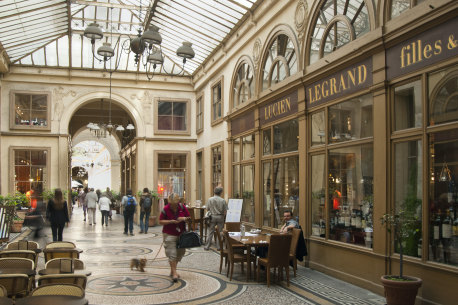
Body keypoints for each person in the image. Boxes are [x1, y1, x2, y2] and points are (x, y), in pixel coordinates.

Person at [159, 193, 190, 282]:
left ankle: (173, 270)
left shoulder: (182, 207)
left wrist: (183, 218)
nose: (174, 206)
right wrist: (170, 221)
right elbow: (160, 221)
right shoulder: (165, 209)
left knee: (180, 253)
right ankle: (175, 273)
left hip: (181, 234)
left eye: (175, 204)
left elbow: (189, 218)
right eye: (172, 204)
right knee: (172, 253)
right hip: (169, 234)